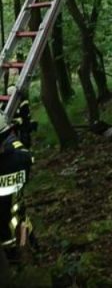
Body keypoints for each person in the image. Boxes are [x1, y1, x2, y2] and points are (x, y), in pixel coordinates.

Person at [0, 113, 33, 268]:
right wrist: (12, 140)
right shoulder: (21, 159)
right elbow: (25, 154)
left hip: (5, 238)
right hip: (21, 224)